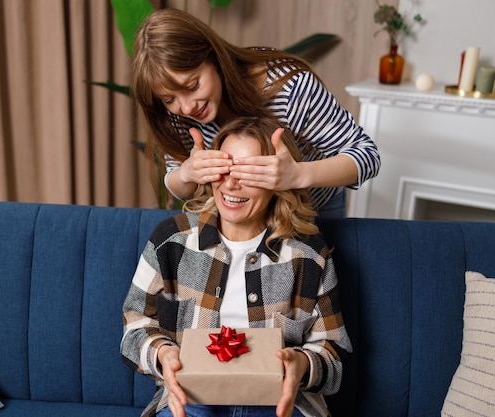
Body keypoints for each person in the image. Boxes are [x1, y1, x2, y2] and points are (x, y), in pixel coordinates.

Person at [121, 117, 352, 417]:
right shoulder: (171, 241)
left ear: (278, 180)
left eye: (250, 172)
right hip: (191, 402)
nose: (231, 183)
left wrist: (301, 365)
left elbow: (334, 353)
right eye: (224, 168)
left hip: (279, 404)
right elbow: (135, 325)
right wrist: (164, 354)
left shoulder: (309, 255)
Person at [131, 8, 380, 219]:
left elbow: (367, 156)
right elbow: (176, 181)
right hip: (248, 224)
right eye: (169, 99)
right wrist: (187, 172)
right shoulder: (175, 115)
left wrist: (298, 175)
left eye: (193, 86)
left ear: (213, 57)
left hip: (312, 211)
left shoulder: (290, 90)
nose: (187, 108)